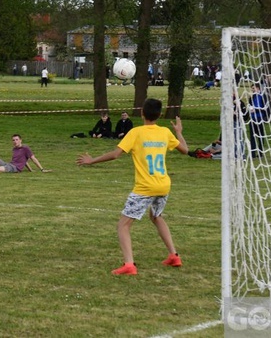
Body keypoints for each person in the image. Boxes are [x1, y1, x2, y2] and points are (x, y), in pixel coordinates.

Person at [76, 98, 188, 276]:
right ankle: (174, 255)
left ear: (142, 113)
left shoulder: (136, 132)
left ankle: (129, 264)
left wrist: (92, 161)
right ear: (159, 115)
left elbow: (115, 155)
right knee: (156, 216)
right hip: (164, 185)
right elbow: (185, 150)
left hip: (146, 187)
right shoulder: (165, 132)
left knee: (123, 226)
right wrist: (179, 132)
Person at [247, 83, 266, 158]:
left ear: (258, 88)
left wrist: (257, 110)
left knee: (260, 136)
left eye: (253, 88)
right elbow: (250, 105)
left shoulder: (263, 96)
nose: (252, 90)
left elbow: (265, 108)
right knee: (252, 136)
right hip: (252, 118)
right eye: (252, 88)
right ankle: (253, 153)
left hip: (259, 118)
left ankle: (260, 153)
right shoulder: (252, 97)